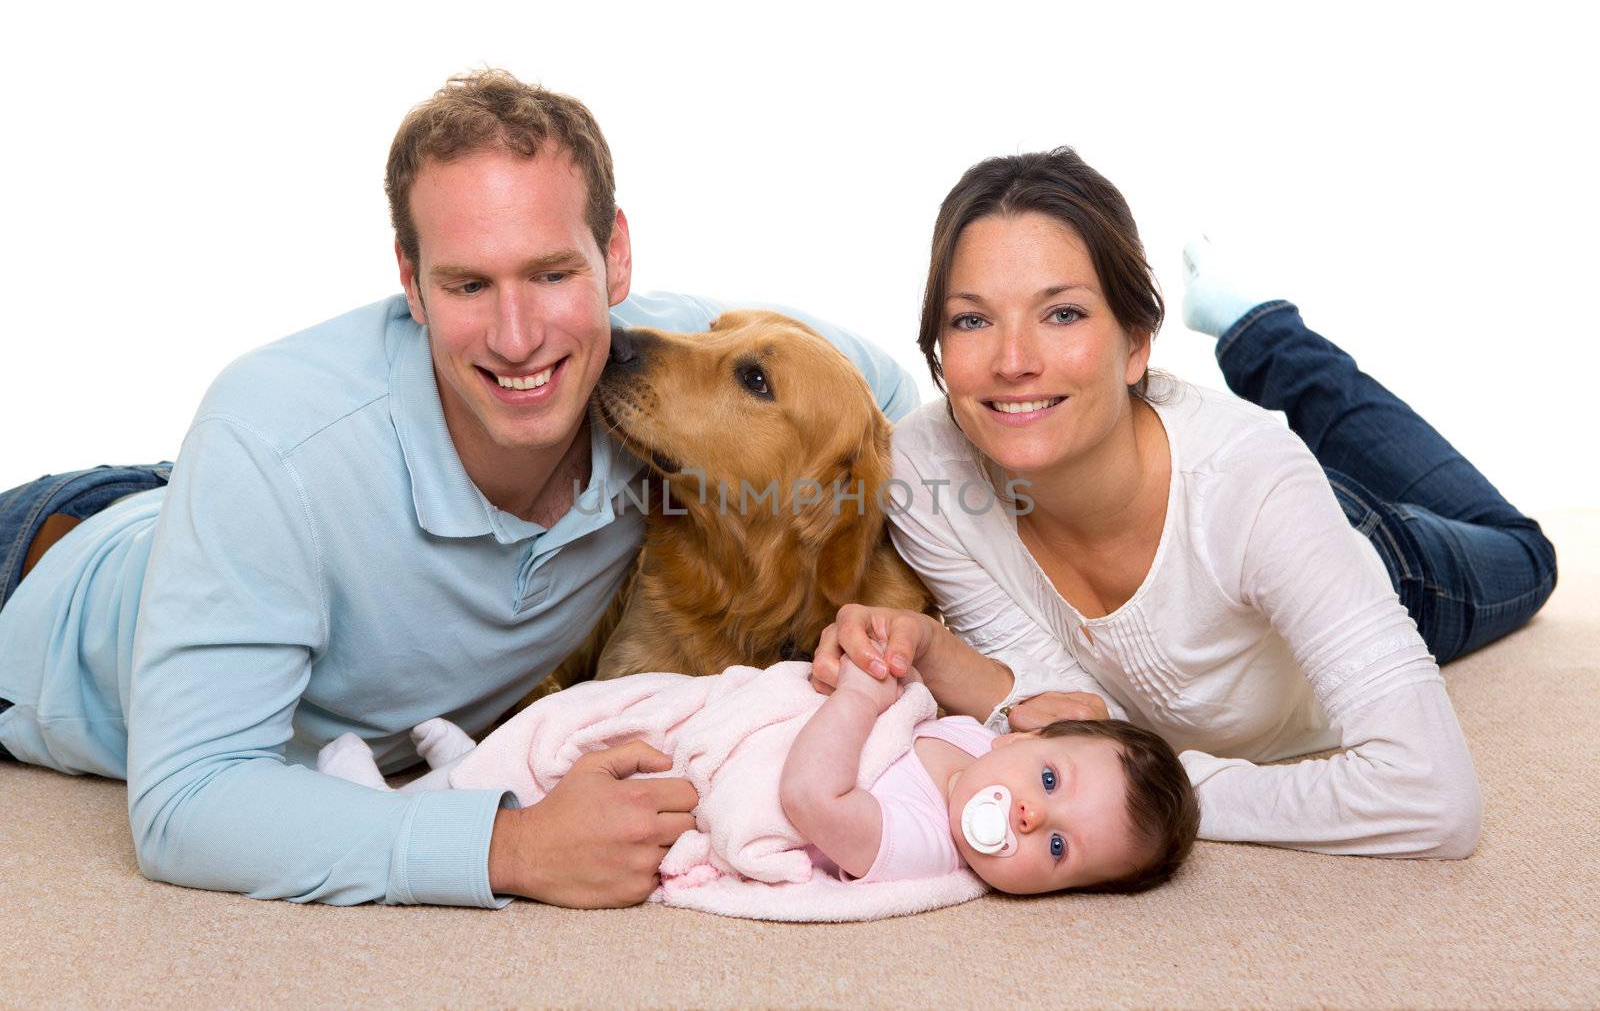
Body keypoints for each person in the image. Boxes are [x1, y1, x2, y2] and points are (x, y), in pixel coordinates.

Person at [0, 69, 917, 909]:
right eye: (469, 283)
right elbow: (187, 802)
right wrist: (508, 846)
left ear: (616, 257)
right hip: (46, 572)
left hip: (202, 498)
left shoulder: (647, 359)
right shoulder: (268, 437)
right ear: (410, 280)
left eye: (554, 273)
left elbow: (877, 396)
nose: (520, 338)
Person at [812, 147, 1558, 857]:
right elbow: (1054, 705)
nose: (1013, 361)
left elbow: (1433, 797)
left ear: (1136, 342)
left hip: (1377, 557)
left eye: (1062, 313)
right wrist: (941, 656)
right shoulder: (920, 469)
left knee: (1526, 552)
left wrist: (1160, 787)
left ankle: (1258, 329)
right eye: (971, 319)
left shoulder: (1254, 486)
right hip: (1229, 492)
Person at [316, 655, 1199, 894]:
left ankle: (390, 802)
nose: (1024, 819)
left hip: (737, 768)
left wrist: (857, 701)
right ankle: (471, 763)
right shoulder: (976, 738)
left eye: (1056, 850)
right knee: (595, 711)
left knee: (588, 772)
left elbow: (810, 798)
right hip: (733, 708)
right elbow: (971, 705)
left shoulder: (925, 846)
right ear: (1028, 738)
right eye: (1049, 781)